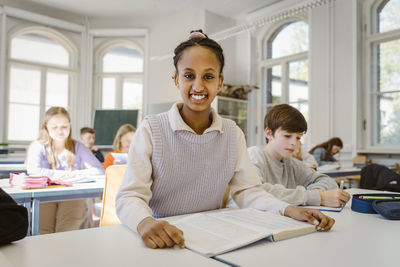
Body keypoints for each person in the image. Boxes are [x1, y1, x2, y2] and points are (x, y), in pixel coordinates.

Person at [116, 29, 335, 249]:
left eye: (208, 77)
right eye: (189, 75)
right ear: (176, 79)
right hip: (162, 234)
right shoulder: (152, 129)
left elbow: (247, 191)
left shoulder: (232, 133)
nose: (199, 86)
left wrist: (289, 209)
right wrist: (144, 222)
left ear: (220, 82)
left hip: (211, 236)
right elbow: (129, 195)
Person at [248, 104, 350, 207]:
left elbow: (328, 181)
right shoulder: (254, 155)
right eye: (287, 136)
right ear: (269, 133)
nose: (294, 143)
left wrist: (318, 192)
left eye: (298, 138)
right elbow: (256, 192)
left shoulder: (292, 163)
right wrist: (317, 197)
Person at [26, 106, 104, 234]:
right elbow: (34, 171)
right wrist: (65, 175)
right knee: (44, 233)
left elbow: (99, 171)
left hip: (72, 196)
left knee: (65, 233)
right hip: (44, 196)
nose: (60, 131)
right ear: (46, 127)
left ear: (70, 126)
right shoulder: (38, 146)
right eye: (54, 127)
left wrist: (73, 175)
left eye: (64, 126)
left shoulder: (78, 146)